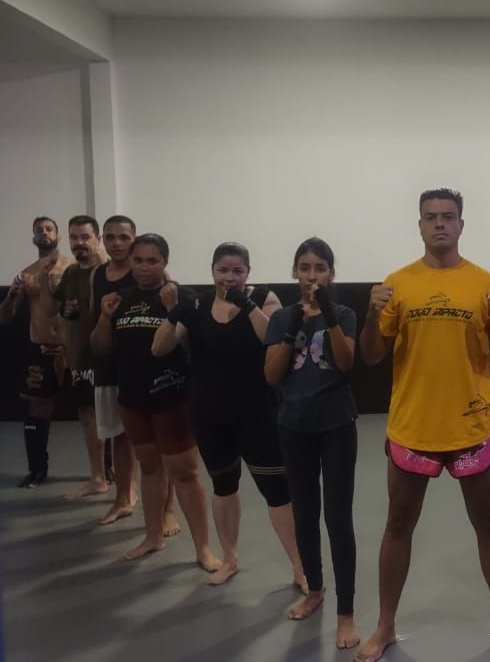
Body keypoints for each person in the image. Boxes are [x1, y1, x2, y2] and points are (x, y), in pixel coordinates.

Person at [354, 189, 490, 662]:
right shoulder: (397, 284)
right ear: (419, 225)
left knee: (489, 523)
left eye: (448, 216)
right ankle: (386, 626)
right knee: (398, 524)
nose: (439, 224)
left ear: (461, 224)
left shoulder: (485, 283)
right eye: (431, 217)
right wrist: (372, 314)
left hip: (471, 428)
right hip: (413, 427)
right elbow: (371, 356)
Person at [153, 243, 305, 591]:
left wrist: (247, 305)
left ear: (248, 272)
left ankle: (301, 567)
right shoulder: (197, 306)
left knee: (277, 492)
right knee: (223, 486)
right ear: (212, 271)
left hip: (257, 414)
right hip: (210, 414)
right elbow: (159, 348)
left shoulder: (264, 299)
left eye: (238, 271)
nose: (230, 277)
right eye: (223, 270)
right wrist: (173, 314)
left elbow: (274, 339)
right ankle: (230, 558)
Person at [90, 233, 220, 569]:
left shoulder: (184, 297)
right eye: (138, 260)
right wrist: (104, 318)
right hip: (133, 400)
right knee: (149, 468)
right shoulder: (119, 298)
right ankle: (152, 536)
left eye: (152, 261)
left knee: (184, 473)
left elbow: (197, 347)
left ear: (165, 262)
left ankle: (203, 549)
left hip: (172, 399)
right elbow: (100, 348)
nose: (144, 267)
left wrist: (174, 309)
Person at [264, 238, 360, 647]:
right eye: (304, 268)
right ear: (294, 272)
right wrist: (293, 327)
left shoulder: (345, 314)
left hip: (336, 424)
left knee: (337, 518)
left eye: (320, 268)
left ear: (331, 273)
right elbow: (272, 375)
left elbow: (346, 362)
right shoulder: (281, 317)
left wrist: (328, 317)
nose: (312, 276)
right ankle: (315, 590)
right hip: (294, 425)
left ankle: (346, 612)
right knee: (304, 514)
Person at [0, 216, 71, 488]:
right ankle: (37, 469)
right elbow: (5, 317)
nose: (44, 232)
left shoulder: (72, 269)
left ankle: (105, 469)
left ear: (58, 235)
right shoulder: (26, 274)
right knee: (37, 410)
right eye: (39, 230)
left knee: (91, 411)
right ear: (33, 237)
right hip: (40, 348)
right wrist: (11, 297)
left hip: (72, 349)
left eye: (49, 228)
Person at [44, 215, 109, 500]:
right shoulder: (70, 272)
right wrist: (66, 312)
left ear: (97, 239)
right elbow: (60, 309)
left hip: (108, 358)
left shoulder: (108, 272)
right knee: (87, 419)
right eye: (74, 237)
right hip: (80, 358)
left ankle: (127, 485)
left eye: (85, 237)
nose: (79, 243)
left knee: (120, 423)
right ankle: (98, 478)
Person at [89, 215, 143, 525]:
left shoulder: (145, 270)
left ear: (134, 238)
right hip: (108, 364)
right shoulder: (97, 274)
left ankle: (165, 509)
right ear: (103, 240)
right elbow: (93, 317)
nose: (117, 243)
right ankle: (124, 498)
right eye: (110, 237)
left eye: (123, 237)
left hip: (141, 365)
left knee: (153, 440)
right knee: (118, 436)